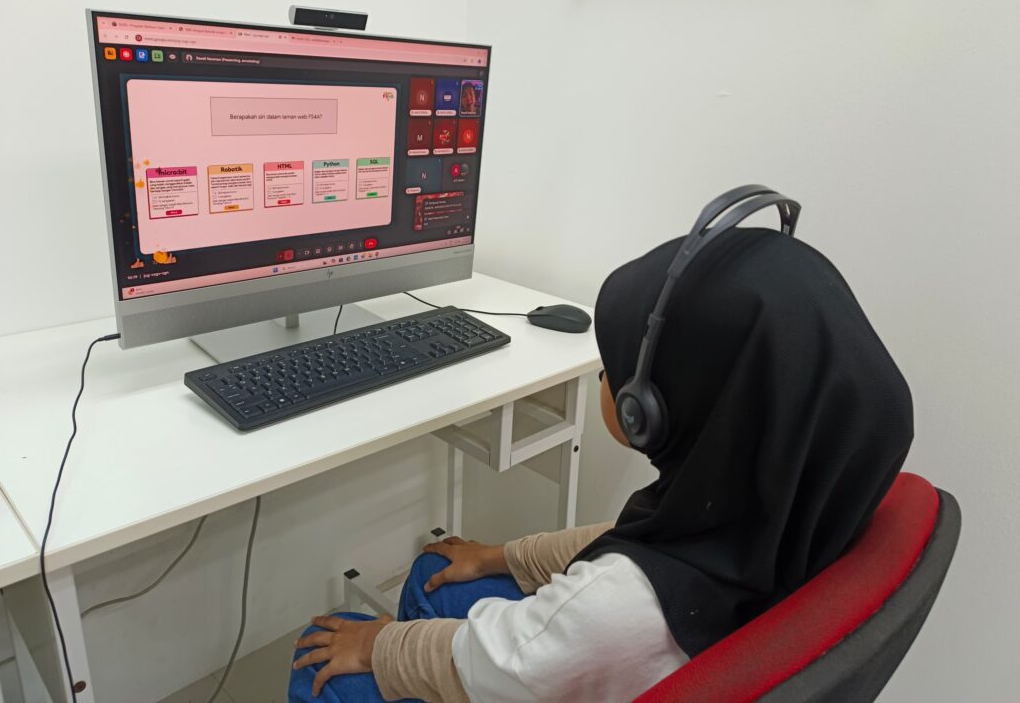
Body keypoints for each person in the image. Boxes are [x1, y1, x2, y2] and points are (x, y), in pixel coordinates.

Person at [289, 220, 913, 702]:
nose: (608, 380)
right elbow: (622, 540)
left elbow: (508, 661)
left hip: (585, 668)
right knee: (437, 567)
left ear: (653, 411)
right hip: (684, 657)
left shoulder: (616, 608)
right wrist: (499, 556)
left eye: (616, 368)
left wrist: (378, 646)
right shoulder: (803, 494)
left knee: (322, 656)